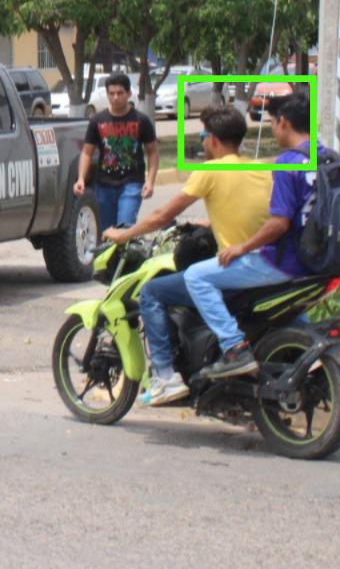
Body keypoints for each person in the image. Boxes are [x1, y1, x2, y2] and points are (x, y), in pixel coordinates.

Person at [183, 92, 340, 383]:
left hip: (286, 264)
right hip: (324, 266)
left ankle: (234, 349)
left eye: (273, 122)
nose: (273, 128)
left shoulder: (288, 164)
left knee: (197, 276)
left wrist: (241, 247)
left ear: (283, 122)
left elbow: (279, 224)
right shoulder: (335, 162)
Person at [102, 103, 272, 406]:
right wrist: (207, 223)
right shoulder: (260, 169)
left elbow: (161, 215)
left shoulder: (211, 170)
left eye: (204, 135)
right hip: (264, 266)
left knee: (153, 292)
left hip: (236, 269)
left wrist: (122, 234)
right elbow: (251, 214)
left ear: (214, 140)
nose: (203, 142)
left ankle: (165, 376)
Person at [73, 72, 159, 231]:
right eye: (111, 93)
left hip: (132, 183)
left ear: (129, 93)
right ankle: (112, 257)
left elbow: (152, 152)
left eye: (120, 93)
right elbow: (87, 152)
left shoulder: (141, 120)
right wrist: (81, 179)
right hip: (104, 185)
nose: (115, 97)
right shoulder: (97, 121)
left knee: (124, 227)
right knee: (107, 232)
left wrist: (150, 181)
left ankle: (123, 255)